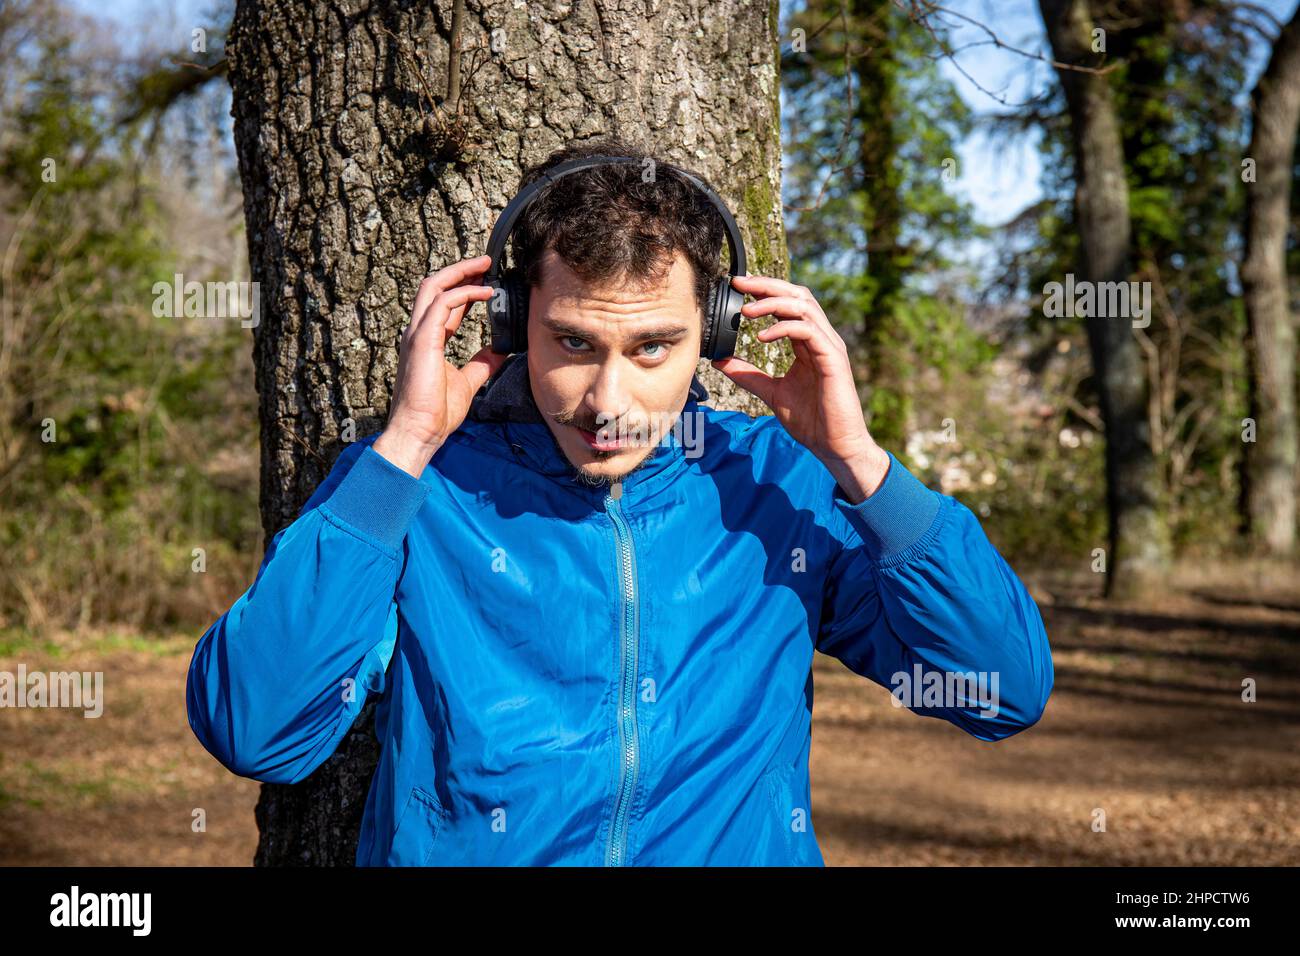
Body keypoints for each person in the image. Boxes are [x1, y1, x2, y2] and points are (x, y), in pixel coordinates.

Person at [186, 139, 1053, 866]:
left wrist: (861, 463)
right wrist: (405, 447)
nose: (609, 401)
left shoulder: (777, 488)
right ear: (510, 321)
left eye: (653, 347)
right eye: (572, 341)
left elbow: (1001, 690)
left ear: (710, 336)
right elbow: (258, 730)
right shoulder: (416, 492)